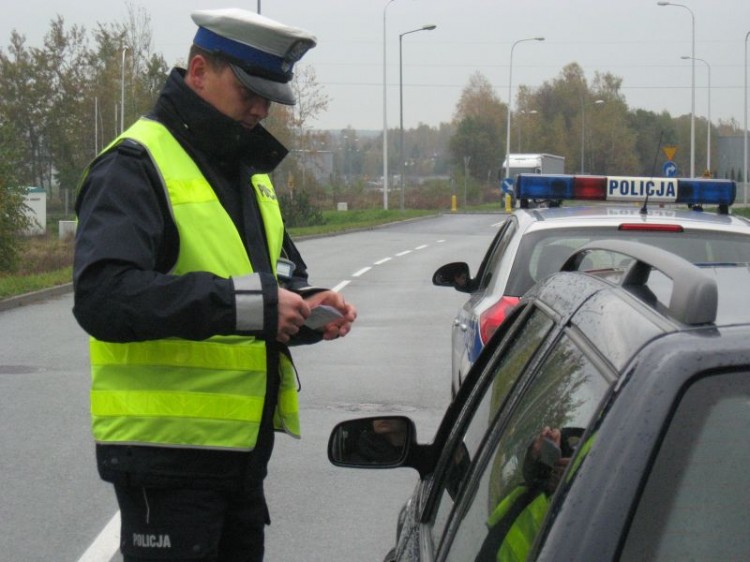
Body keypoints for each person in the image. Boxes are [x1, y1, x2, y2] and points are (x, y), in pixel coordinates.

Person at [72, 8, 356, 562]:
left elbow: (261, 286)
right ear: (199, 71)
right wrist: (254, 307)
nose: (260, 108)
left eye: (269, 96)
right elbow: (104, 296)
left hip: (238, 462)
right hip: (166, 459)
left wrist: (305, 307)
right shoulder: (135, 164)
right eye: (248, 89)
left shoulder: (241, 168)